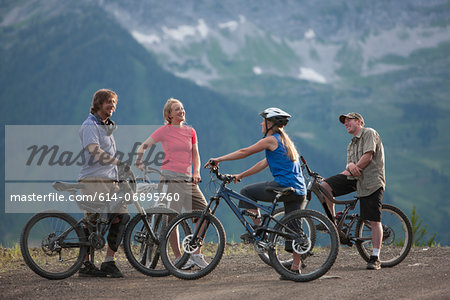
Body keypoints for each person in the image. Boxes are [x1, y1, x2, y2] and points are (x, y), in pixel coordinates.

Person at [205, 107, 307, 278]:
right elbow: (264, 163)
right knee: (294, 229)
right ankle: (296, 267)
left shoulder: (271, 140)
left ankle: (259, 231)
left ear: (271, 124)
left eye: (264, 121)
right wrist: (241, 175)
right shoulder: (284, 141)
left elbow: (244, 152)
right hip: (298, 190)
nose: (261, 123)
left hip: (283, 186)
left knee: (246, 192)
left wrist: (218, 159)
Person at [135, 98, 208, 269]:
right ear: (169, 115)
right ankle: (178, 258)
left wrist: (196, 172)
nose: (181, 111)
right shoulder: (164, 131)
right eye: (177, 109)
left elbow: (195, 155)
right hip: (169, 178)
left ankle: (196, 254)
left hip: (188, 179)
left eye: (182, 108)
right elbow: (143, 146)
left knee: (205, 213)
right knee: (172, 219)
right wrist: (139, 161)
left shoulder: (191, 131)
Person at [321, 112, 385, 270]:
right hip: (354, 179)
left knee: (373, 220)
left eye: (349, 120)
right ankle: (333, 223)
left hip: (371, 181)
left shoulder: (369, 133)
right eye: (344, 122)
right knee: (324, 186)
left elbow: (368, 156)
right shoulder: (351, 144)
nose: (346, 123)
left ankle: (375, 257)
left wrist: (354, 167)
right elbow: (348, 168)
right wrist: (348, 168)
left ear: (359, 122)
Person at [77, 89, 130, 277]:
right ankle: (85, 266)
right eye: (109, 102)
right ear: (98, 103)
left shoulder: (106, 126)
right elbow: (94, 150)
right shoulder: (90, 124)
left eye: (114, 102)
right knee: (91, 222)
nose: (112, 106)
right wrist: (118, 162)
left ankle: (108, 261)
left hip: (110, 180)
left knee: (121, 216)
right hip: (93, 179)